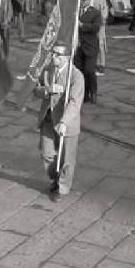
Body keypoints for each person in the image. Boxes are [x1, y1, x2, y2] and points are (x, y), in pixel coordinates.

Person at [37, 43, 84, 202]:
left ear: (68, 57)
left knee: (67, 159)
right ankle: (55, 176)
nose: (54, 57)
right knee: (46, 153)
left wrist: (64, 122)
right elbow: (36, 88)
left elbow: (74, 102)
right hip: (49, 118)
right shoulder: (48, 70)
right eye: (53, 53)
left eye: (58, 55)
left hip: (66, 122)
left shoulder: (76, 76)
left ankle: (62, 188)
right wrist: (46, 90)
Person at [74, 0, 101, 104]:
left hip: (90, 46)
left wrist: (82, 25)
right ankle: (84, 94)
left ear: (89, 0)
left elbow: (96, 27)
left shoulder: (95, 12)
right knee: (80, 72)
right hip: (79, 47)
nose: (83, 1)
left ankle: (93, 91)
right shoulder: (75, 12)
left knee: (89, 70)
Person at [89, 0, 109, 74]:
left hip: (99, 22)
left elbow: (104, 7)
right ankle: (95, 63)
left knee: (101, 44)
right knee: (93, 44)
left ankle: (102, 64)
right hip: (91, 23)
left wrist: (104, 17)